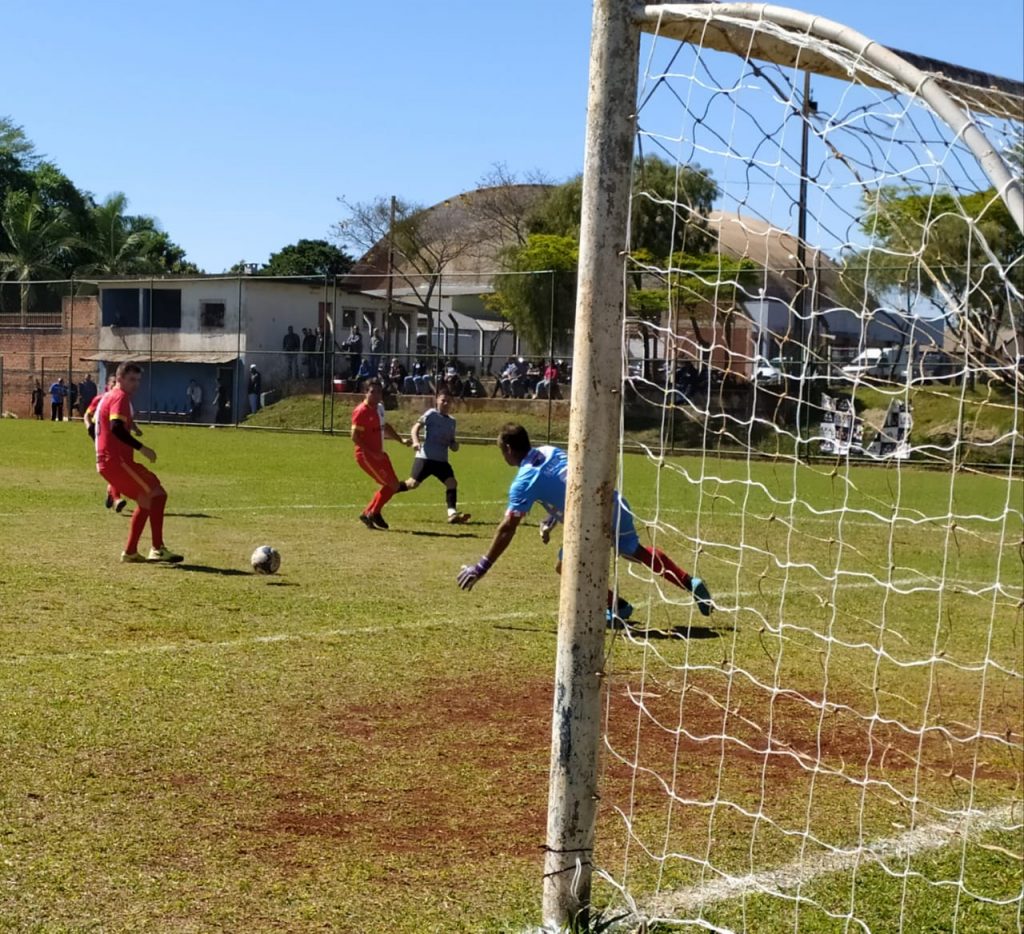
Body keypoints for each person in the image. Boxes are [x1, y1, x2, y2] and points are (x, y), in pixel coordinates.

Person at [456, 424, 712, 620]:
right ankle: (690, 582)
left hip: (587, 520)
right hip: (612, 502)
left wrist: (482, 567)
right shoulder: (549, 450)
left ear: (509, 450)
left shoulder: (523, 481)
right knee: (637, 551)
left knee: (565, 565)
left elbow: (507, 528)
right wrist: (552, 518)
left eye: (502, 451)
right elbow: (568, 484)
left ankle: (617, 606)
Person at [93, 361, 183, 564]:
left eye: (138, 380)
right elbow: (116, 427)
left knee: (150, 497)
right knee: (155, 494)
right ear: (120, 378)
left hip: (112, 462)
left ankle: (133, 551)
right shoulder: (120, 396)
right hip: (117, 462)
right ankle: (155, 549)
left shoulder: (109, 396)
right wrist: (142, 448)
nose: (136, 384)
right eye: (132, 379)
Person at [402, 388, 471, 525]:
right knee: (412, 484)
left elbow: (451, 441)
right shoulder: (431, 414)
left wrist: (454, 445)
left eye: (448, 401)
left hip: (441, 461)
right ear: (437, 401)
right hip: (425, 458)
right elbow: (415, 428)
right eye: (443, 400)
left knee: (452, 483)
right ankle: (389, 490)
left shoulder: (452, 421)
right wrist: (416, 442)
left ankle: (452, 514)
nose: (445, 403)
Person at [351, 378, 411, 530]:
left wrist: (401, 440)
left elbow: (385, 426)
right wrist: (372, 453)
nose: (376, 395)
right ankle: (372, 513)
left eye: (379, 392)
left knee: (394, 485)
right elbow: (354, 437)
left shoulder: (379, 408)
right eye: (372, 392)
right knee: (391, 485)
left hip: (380, 454)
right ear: (365, 393)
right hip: (366, 455)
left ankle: (370, 513)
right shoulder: (361, 411)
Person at [85, 374, 133, 513]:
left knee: (122, 471)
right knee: (115, 469)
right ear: (108, 385)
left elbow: (126, 419)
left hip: (122, 441)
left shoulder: (124, 400)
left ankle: (111, 493)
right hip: (105, 440)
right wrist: (90, 429)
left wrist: (135, 428)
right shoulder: (101, 399)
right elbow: (87, 415)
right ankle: (117, 498)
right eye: (113, 384)